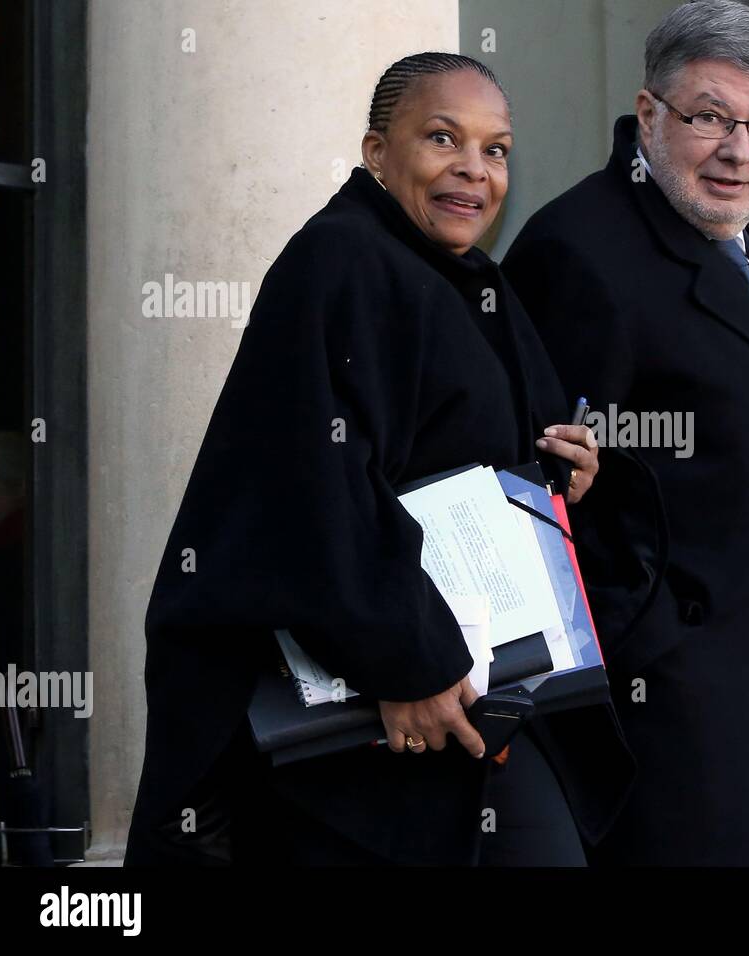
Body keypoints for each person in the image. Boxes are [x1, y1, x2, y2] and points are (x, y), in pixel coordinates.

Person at [124, 53, 635, 867]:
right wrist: (405, 662)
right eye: (442, 138)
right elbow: (306, 482)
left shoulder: (468, 282)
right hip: (379, 713)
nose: (474, 169)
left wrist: (564, 471)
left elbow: (482, 455)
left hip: (473, 695)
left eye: (496, 150)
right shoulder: (341, 259)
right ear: (375, 153)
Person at [502, 0, 749, 865]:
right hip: (652, 709)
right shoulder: (578, 250)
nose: (740, 150)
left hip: (747, 680)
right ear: (649, 114)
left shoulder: (746, 239)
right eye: (711, 117)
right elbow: (533, 491)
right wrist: (640, 646)